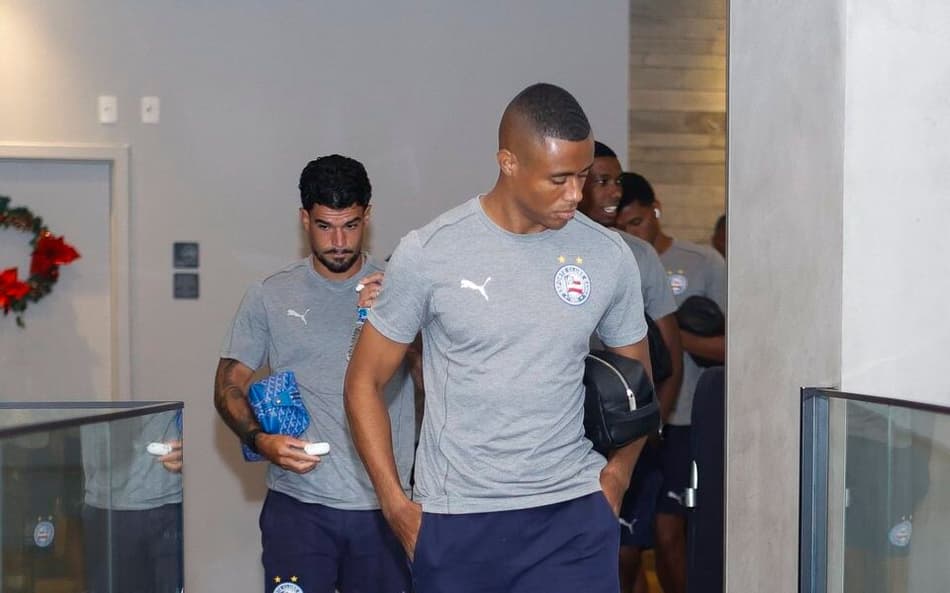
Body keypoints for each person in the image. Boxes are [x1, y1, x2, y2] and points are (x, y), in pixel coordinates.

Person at [344, 82, 652, 593]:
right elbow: (362, 382)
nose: (576, 195)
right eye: (558, 179)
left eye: (581, 176)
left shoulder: (608, 255)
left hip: (573, 517)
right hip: (460, 519)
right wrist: (396, 507)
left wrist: (616, 478)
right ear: (508, 162)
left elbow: (636, 384)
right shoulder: (430, 253)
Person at [213, 155, 416, 593]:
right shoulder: (270, 294)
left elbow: (438, 386)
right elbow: (229, 383)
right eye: (325, 226)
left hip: (385, 507)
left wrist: (399, 320)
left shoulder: (402, 289)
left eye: (351, 225)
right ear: (305, 218)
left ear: (368, 215)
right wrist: (259, 440)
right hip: (299, 508)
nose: (339, 241)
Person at [579, 140, 683, 593]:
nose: (613, 192)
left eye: (616, 181)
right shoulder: (544, 248)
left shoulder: (638, 257)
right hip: (565, 442)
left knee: (622, 557)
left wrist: (648, 431)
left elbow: (670, 357)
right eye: (601, 181)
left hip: (628, 441)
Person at [615, 171, 726, 593]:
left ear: (654, 210)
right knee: (628, 546)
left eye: (637, 222)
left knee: (668, 536)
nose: (630, 232)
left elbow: (738, 346)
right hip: (635, 423)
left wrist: (673, 339)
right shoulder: (616, 258)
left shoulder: (703, 262)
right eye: (621, 226)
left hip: (688, 421)